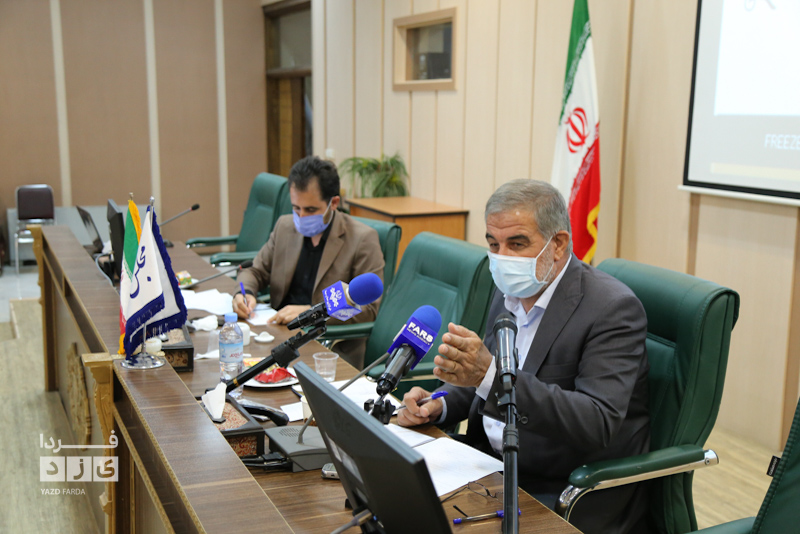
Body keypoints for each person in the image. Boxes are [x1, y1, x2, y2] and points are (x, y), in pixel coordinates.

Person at [397, 179, 650, 534]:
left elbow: (597, 420)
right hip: (487, 463)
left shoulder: (612, 309)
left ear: (558, 244)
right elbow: (483, 379)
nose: (503, 258)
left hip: (556, 486)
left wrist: (487, 375)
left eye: (517, 244)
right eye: (493, 244)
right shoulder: (509, 289)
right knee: (391, 499)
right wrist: (439, 404)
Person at [233, 156, 384, 368]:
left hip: (327, 349)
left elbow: (368, 310)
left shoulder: (362, 239)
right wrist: (244, 293)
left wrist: (312, 312)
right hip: (278, 336)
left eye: (311, 210)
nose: (301, 217)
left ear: (333, 203)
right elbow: (255, 271)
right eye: (296, 208)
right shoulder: (285, 226)